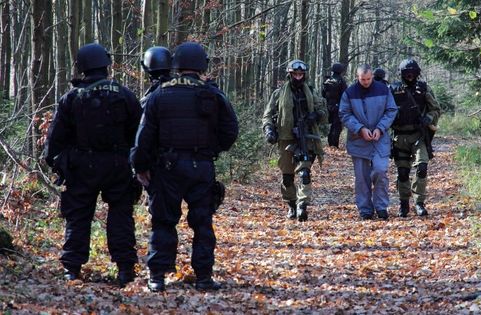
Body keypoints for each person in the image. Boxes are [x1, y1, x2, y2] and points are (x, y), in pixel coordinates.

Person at [130, 42, 238, 292]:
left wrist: (140, 166)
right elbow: (231, 130)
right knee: (202, 222)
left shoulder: (160, 93)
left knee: (163, 221)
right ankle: (203, 277)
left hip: (167, 168)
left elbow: (144, 135)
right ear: (202, 65)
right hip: (201, 166)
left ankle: (157, 277)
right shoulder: (212, 94)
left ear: (176, 64)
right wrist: (212, 150)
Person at [44, 43, 142, 287]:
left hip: (82, 166)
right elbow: (139, 134)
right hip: (118, 165)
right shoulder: (125, 95)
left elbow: (55, 139)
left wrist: (58, 163)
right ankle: (125, 269)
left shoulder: (71, 98)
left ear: (83, 67)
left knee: (78, 216)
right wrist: (138, 164)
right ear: (105, 65)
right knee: (121, 216)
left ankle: (71, 269)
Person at [262, 59, 327, 222]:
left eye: (301, 74)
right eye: (295, 74)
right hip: (285, 139)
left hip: (306, 138)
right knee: (287, 177)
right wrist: (269, 130)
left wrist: (316, 115)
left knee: (304, 173)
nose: (298, 77)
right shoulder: (278, 94)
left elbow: (323, 111)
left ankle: (302, 206)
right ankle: (291, 204)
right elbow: (267, 115)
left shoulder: (311, 92)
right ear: (290, 75)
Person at [339, 64, 397, 220]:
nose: (365, 82)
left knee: (380, 171)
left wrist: (380, 128)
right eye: (362, 79)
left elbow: (391, 110)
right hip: (358, 140)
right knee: (362, 177)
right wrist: (359, 129)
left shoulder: (384, 90)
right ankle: (365, 209)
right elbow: (344, 114)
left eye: (368, 79)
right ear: (357, 77)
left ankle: (381, 207)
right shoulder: (349, 93)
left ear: (372, 76)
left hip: (380, 139)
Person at [390, 58, 442, 217]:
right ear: (401, 73)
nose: (410, 76)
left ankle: (419, 203)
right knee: (403, 172)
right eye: (407, 73)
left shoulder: (424, 88)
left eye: (413, 73)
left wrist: (429, 118)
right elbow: (383, 111)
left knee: (422, 168)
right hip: (399, 136)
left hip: (419, 135)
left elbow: (436, 109)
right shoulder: (392, 89)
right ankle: (404, 203)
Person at [322, 63, 348, 148]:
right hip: (338, 106)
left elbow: (323, 94)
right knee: (336, 126)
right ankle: (334, 145)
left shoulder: (327, 80)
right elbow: (345, 95)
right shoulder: (341, 81)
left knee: (330, 125)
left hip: (328, 106)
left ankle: (330, 143)